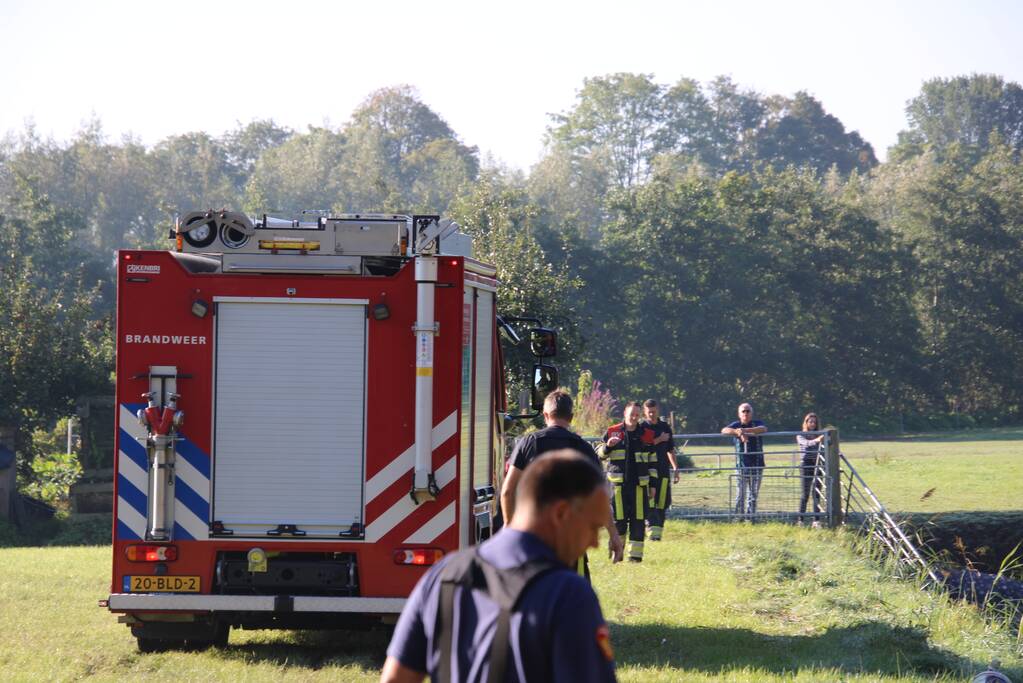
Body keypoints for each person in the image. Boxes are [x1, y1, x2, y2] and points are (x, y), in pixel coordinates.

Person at [381, 451, 618, 683]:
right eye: (593, 528)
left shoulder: (444, 575)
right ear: (561, 514)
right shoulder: (566, 593)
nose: (594, 543)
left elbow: (395, 677)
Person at [500, 390, 625, 573]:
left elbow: (507, 491)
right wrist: (614, 535)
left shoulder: (529, 443)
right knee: (572, 597)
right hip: (572, 542)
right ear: (572, 417)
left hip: (534, 540)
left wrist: (509, 528)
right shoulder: (583, 448)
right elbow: (601, 497)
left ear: (545, 415)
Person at [597, 402, 655, 562]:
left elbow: (653, 462)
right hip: (618, 487)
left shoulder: (647, 434)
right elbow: (599, 455)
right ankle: (617, 553)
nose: (635, 417)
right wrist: (608, 447)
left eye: (637, 414)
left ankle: (635, 558)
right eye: (632, 414)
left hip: (639, 487)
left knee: (638, 522)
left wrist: (653, 486)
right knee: (618, 522)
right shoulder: (612, 431)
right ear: (625, 413)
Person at [641, 399, 678, 541]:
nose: (651, 414)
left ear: (658, 410)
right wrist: (659, 439)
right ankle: (650, 530)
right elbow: (644, 446)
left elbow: (670, 449)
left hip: (663, 470)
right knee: (650, 501)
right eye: (649, 411)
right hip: (648, 471)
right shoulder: (642, 427)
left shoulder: (665, 427)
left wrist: (675, 467)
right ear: (645, 412)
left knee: (663, 502)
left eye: (654, 411)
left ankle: (657, 534)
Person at [721, 403, 767, 516]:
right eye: (743, 411)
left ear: (752, 413)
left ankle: (750, 516)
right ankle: (738, 516)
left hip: (757, 464)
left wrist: (745, 431)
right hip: (741, 465)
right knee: (740, 493)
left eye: (748, 411)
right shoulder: (736, 425)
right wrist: (737, 432)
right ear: (739, 414)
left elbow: (763, 429)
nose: (745, 413)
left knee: (753, 493)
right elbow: (724, 430)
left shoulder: (757, 423)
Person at [797, 412, 826, 527]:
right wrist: (817, 440)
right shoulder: (800, 434)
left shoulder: (820, 434)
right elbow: (806, 443)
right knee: (805, 494)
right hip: (806, 465)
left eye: (814, 422)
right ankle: (800, 520)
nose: (813, 424)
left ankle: (816, 520)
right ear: (806, 423)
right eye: (810, 421)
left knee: (816, 493)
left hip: (818, 464)